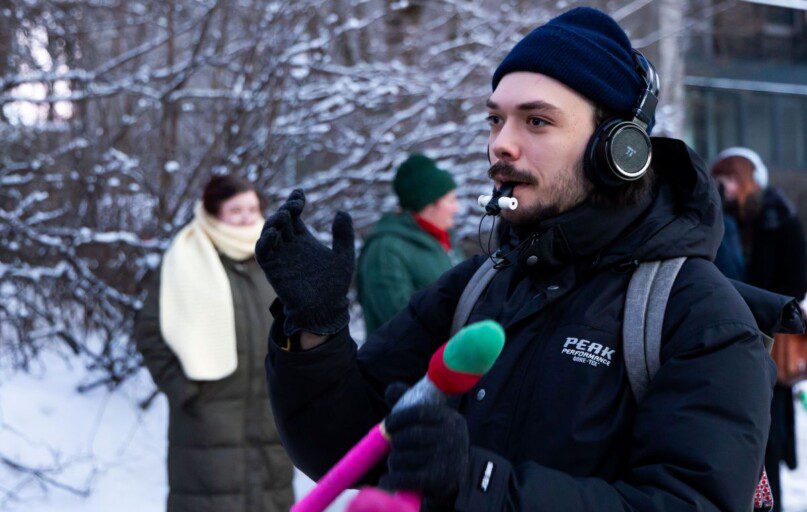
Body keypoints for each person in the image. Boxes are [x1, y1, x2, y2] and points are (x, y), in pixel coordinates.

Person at [256, 8, 776, 511]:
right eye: (495, 119)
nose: (501, 145)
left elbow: (686, 502)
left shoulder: (697, 316)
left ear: (619, 151)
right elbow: (345, 450)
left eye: (537, 121)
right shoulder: (478, 287)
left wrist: (475, 482)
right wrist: (315, 336)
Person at [134, 175, 294, 512]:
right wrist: (184, 390)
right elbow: (151, 333)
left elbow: (299, 323)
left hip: (271, 415)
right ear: (213, 213)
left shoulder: (276, 257)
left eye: (252, 208)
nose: (248, 217)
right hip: (207, 419)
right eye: (236, 210)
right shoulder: (185, 258)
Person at [712, 147, 807, 510]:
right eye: (720, 179)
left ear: (749, 180)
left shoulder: (779, 219)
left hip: (770, 341)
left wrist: (761, 303)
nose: (726, 187)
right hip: (733, 340)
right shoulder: (720, 221)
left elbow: (796, 285)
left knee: (767, 441)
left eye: (732, 178)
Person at [358, 154, 464, 335]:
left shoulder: (442, 241)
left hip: (451, 358)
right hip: (404, 362)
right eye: (451, 200)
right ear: (429, 204)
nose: (457, 208)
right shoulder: (386, 249)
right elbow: (399, 322)